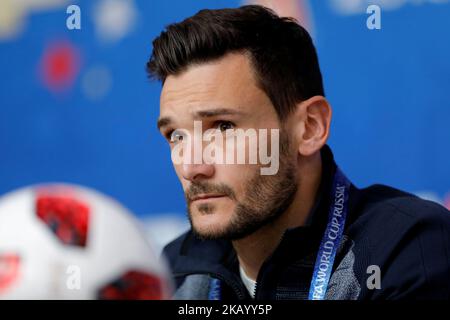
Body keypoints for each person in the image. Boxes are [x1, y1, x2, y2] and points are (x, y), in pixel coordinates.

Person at [146, 5, 450, 300]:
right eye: (176, 135)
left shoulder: (407, 248)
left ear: (309, 127)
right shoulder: (174, 271)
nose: (192, 167)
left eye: (224, 127)